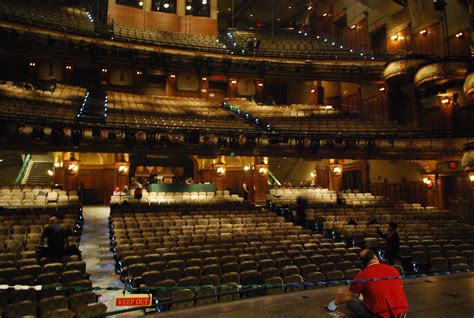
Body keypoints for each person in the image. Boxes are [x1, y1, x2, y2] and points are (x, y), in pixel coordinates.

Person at [327, 249, 408, 318]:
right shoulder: (393, 269)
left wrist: (334, 303)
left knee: (351, 303)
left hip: (381, 315)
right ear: (376, 257)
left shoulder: (362, 275)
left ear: (363, 263)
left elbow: (348, 296)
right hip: (402, 313)